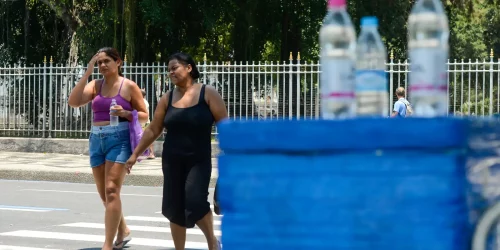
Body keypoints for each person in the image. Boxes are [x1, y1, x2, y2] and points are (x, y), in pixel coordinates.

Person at [125, 52, 227, 250]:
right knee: (174, 207)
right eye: (169, 69)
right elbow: (154, 128)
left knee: (195, 201)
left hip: (198, 160)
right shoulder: (167, 98)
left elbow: (225, 124)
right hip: (172, 160)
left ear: (189, 68)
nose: (171, 72)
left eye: (175, 68)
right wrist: (135, 154)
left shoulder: (208, 93)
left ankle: (212, 243)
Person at [68, 47, 148, 250]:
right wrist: (87, 73)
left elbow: (145, 115)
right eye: (99, 62)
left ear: (118, 62)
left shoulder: (129, 86)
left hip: (119, 138)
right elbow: (73, 102)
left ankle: (107, 245)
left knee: (112, 190)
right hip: (96, 139)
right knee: (105, 194)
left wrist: (126, 113)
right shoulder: (95, 85)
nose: (102, 65)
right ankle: (123, 229)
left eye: (106, 61)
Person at [140, 88, 155, 159]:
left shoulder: (142, 102)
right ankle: (150, 153)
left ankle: (151, 153)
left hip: (143, 122)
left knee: (147, 138)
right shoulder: (144, 101)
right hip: (145, 122)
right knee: (147, 138)